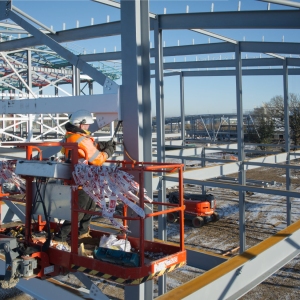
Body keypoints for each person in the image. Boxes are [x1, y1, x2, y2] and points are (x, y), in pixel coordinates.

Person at [53, 109, 116, 243]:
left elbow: (86, 149)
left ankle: (82, 232)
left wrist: (100, 145)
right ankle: (61, 237)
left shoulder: (70, 135)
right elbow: (98, 159)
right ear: (80, 124)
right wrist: (108, 151)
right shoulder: (80, 138)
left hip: (81, 177)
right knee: (80, 209)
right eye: (86, 124)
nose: (88, 127)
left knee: (90, 206)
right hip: (82, 179)